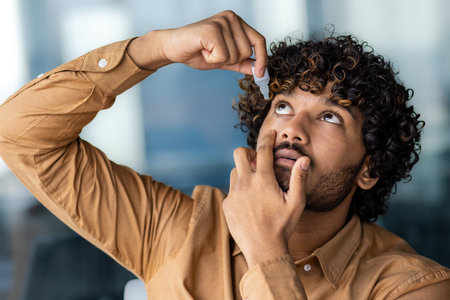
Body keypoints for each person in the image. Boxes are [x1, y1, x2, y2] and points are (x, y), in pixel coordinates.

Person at [0, 10, 449, 300]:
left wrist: (266, 251)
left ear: (369, 169)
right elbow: (20, 135)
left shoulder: (411, 288)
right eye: (284, 106)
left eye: (330, 117)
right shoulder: (177, 228)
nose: (292, 127)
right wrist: (154, 49)